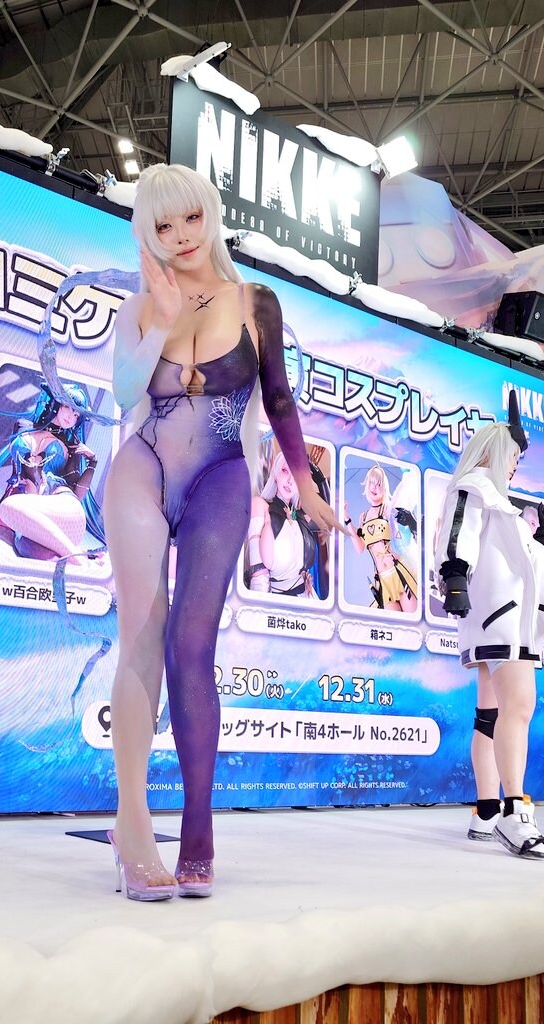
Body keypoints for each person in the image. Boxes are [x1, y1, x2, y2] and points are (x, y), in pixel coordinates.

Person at [104, 162, 345, 901]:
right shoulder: (138, 306)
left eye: (190, 217)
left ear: (210, 214)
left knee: (191, 647)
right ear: (147, 233)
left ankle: (198, 828)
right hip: (142, 469)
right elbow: (122, 394)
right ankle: (132, 825)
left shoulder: (254, 301)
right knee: (142, 634)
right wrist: (160, 317)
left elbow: (279, 398)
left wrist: (306, 486)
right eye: (162, 224)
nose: (180, 235)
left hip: (221, 477)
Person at [434, 392, 544, 858]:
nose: (514, 468)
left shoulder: (496, 501)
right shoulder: (476, 488)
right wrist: (454, 576)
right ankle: (514, 811)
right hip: (501, 622)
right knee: (519, 707)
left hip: (503, 620)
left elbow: (518, 561)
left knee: (490, 715)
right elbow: (458, 533)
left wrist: (541, 534)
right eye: (513, 458)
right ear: (495, 450)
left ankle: (486, 808)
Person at [0, 381, 104, 563]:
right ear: (57, 403)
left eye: (76, 414)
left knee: (9, 508)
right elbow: (18, 471)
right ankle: (81, 563)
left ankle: (79, 560)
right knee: (24, 545)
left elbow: (77, 495)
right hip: (30, 510)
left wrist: (93, 462)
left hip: (64, 508)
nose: (71, 416)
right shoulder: (23, 426)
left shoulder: (71, 446)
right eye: (68, 407)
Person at [246, 451, 325, 598]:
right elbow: (259, 580)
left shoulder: (301, 517)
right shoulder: (260, 506)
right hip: (276, 603)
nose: (290, 481)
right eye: (284, 471)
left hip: (307, 598)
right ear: (276, 473)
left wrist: (321, 481)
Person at [345, 464, 418, 611]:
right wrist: (346, 519)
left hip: (398, 572)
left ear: (384, 488)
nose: (374, 487)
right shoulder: (363, 517)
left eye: (379, 484)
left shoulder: (388, 509)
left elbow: (406, 528)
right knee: (394, 624)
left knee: (412, 619)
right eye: (372, 483)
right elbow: (359, 548)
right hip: (382, 580)